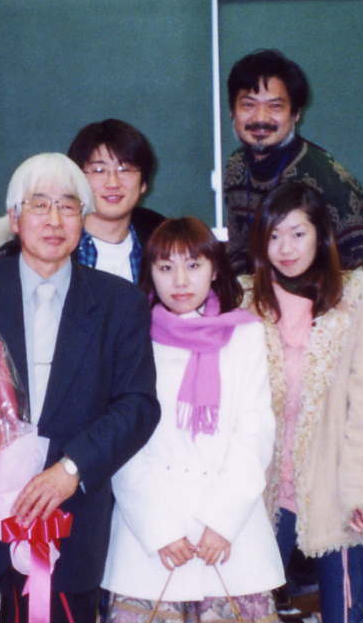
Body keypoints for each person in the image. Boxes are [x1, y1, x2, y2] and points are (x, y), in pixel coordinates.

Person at [0, 153, 161, 623]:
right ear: (15, 217)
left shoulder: (119, 302)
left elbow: (138, 405)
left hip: (70, 517)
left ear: (84, 217)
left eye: (68, 206)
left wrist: (72, 468)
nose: (54, 220)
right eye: (39, 205)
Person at [102, 217, 284, 622]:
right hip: (149, 538)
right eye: (166, 267)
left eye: (194, 265)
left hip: (231, 535)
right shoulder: (131, 336)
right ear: (149, 272)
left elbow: (255, 432)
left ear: (214, 269)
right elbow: (121, 438)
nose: (180, 281)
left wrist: (222, 521)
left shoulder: (246, 335)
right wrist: (159, 528)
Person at [246, 181, 363, 623]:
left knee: (346, 611)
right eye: (274, 235)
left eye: (298, 234)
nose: (285, 248)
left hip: (337, 487)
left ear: (321, 235)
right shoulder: (245, 302)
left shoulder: (355, 300)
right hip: (262, 491)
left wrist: (362, 490)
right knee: (251, 609)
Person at [224, 49, 363, 274]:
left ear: (296, 113)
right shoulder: (236, 166)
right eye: (248, 105)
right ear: (232, 110)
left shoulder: (327, 179)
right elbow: (238, 252)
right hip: (259, 290)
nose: (260, 118)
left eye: (275, 106)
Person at [0, 119, 165, 284]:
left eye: (125, 170)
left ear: (143, 183)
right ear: (77, 180)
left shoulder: (162, 240)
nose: (113, 183)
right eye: (98, 170)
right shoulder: (45, 246)